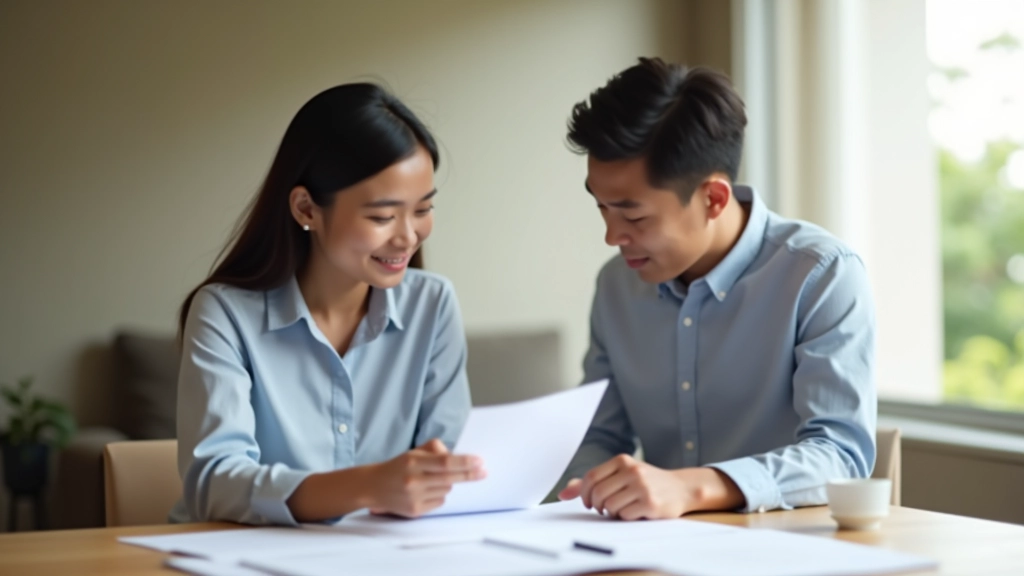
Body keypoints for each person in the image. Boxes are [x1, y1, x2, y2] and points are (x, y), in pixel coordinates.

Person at [555, 58, 877, 520]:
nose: (612, 236)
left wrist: (693, 489)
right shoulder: (616, 285)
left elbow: (841, 456)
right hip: (650, 552)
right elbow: (600, 436)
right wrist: (585, 488)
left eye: (634, 216)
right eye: (602, 207)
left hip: (786, 549)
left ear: (713, 198)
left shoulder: (821, 275)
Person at [171, 83, 484, 526]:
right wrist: (368, 485)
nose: (407, 237)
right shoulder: (224, 314)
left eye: (422, 209)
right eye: (381, 216)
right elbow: (214, 483)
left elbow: (447, 465)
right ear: (306, 208)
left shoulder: (432, 304)